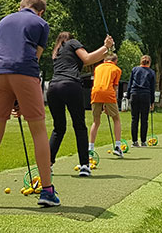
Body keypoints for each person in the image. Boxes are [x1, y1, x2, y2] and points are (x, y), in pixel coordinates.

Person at [0, 0, 58, 208]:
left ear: (20, 7)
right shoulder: (41, 23)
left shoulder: (3, 21)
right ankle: (47, 191)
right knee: (38, 130)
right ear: (41, 11)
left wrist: (14, 98)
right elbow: (34, 57)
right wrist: (21, 98)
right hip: (25, 72)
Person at [46, 31, 113, 176]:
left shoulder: (57, 52)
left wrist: (107, 49)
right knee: (80, 126)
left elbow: (94, 58)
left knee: (58, 128)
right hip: (70, 85)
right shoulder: (72, 42)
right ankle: (84, 166)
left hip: (53, 88)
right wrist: (105, 46)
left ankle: (47, 165)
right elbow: (88, 58)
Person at [90, 53, 125, 159]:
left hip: (95, 93)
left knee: (96, 121)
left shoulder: (98, 68)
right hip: (108, 93)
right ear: (115, 61)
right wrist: (108, 103)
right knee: (116, 119)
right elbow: (114, 87)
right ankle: (118, 147)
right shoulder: (116, 69)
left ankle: (90, 149)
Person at [128, 55, 155, 146]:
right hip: (145, 95)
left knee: (134, 118)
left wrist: (128, 95)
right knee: (144, 119)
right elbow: (152, 88)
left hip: (134, 94)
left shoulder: (135, 69)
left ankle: (134, 141)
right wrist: (152, 101)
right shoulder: (151, 72)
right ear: (149, 63)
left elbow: (130, 83)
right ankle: (143, 141)